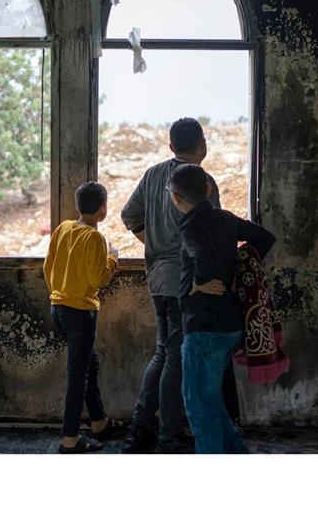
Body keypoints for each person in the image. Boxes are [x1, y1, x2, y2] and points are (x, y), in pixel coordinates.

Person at [121, 117, 235, 453]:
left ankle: (141, 427)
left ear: (171, 147)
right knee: (175, 360)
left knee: (163, 353)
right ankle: (167, 437)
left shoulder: (154, 174)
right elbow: (210, 237)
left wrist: (153, 246)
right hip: (186, 284)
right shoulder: (203, 182)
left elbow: (129, 215)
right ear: (204, 144)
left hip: (158, 279)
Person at [169, 163, 276, 454]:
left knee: (198, 406)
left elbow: (202, 257)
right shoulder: (226, 218)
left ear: (175, 198)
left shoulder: (190, 226)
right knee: (210, 398)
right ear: (207, 190)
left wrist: (200, 283)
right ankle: (235, 447)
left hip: (203, 326)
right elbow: (265, 238)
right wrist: (239, 266)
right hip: (230, 324)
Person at [43, 181, 128, 453]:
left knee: (90, 364)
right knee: (77, 375)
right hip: (81, 312)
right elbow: (98, 279)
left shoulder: (64, 228)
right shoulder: (94, 238)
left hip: (58, 307)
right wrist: (112, 259)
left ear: (78, 205)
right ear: (102, 210)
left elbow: (48, 266)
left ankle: (99, 422)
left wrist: (60, 293)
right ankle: (70, 439)